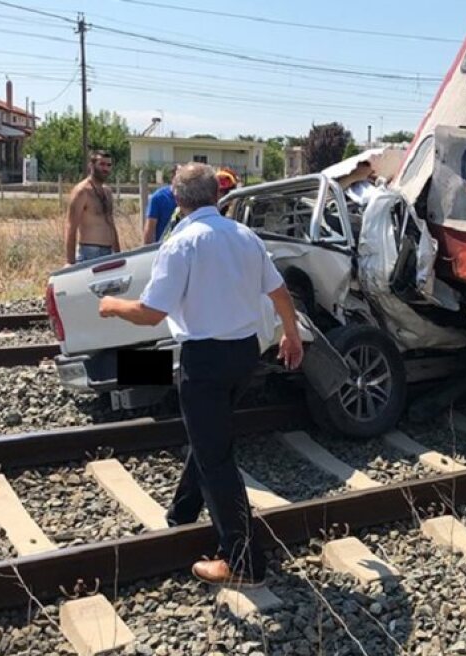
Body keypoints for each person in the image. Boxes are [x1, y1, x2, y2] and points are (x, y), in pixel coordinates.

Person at [98, 163, 304, 588]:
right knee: (209, 436)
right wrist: (291, 335)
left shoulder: (182, 243)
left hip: (205, 359)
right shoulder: (245, 236)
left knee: (216, 457)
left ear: (177, 200)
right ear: (216, 195)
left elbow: (152, 313)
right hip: (245, 354)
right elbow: (280, 293)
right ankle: (183, 514)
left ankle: (244, 560)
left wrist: (111, 307)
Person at [65, 150, 119, 264]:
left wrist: (118, 255)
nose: (105, 168)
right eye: (102, 164)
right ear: (91, 165)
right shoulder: (82, 192)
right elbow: (71, 227)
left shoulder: (107, 192)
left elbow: (111, 224)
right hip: (89, 253)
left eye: (108, 165)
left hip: (108, 253)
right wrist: (70, 262)